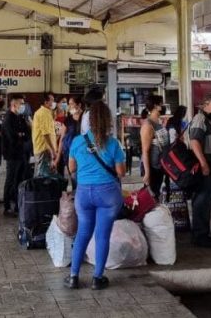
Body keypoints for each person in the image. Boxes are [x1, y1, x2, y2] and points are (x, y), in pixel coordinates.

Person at [64, 102, 126, 291]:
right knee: (102, 236)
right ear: (108, 121)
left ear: (88, 121)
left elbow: (72, 168)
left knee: (83, 233)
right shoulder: (114, 144)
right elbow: (121, 172)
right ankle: (97, 278)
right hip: (108, 194)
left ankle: (73, 277)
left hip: (84, 193)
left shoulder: (77, 141)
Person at [187, 94, 211, 248]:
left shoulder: (208, 121)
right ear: (205, 104)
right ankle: (200, 235)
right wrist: (203, 164)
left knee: (206, 200)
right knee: (201, 200)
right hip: (203, 167)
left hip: (210, 165)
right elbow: (194, 142)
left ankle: (203, 233)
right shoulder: (200, 119)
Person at [1, 94, 31, 216]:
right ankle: (7, 206)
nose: (23, 106)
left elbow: (27, 134)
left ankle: (18, 204)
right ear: (14, 104)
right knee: (10, 180)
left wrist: (22, 135)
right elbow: (12, 137)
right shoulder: (8, 118)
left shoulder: (20, 118)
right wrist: (21, 135)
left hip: (22, 153)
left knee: (20, 179)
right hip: (12, 154)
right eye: (21, 103)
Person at [140, 95, 171, 201]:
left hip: (160, 166)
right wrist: (147, 173)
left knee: (156, 195)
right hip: (152, 167)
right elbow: (145, 151)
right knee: (150, 198)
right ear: (155, 106)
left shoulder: (159, 122)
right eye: (161, 104)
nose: (163, 106)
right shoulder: (148, 125)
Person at [56, 97, 83, 186]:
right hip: (69, 154)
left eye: (71, 104)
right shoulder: (68, 120)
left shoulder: (85, 119)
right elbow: (62, 139)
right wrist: (58, 156)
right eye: (69, 104)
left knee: (83, 178)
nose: (69, 106)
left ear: (79, 105)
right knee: (74, 177)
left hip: (83, 154)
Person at [32, 93, 58, 177]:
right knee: (43, 178)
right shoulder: (44, 113)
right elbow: (46, 134)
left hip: (43, 149)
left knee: (42, 175)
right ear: (46, 102)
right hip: (45, 149)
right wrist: (53, 150)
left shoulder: (43, 112)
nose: (54, 103)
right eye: (52, 100)